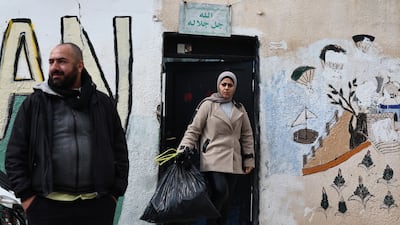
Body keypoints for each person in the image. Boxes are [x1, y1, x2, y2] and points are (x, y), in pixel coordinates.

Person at [5, 43, 129, 225]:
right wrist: (27, 198)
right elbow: (15, 154)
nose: (54, 67)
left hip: (97, 206)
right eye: (51, 62)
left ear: (80, 65)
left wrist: (114, 194)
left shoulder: (102, 103)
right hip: (46, 207)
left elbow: (119, 150)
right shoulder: (35, 104)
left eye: (62, 61)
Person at [178, 71, 255, 225]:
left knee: (227, 200)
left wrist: (248, 159)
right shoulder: (208, 105)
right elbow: (194, 129)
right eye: (223, 84)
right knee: (221, 190)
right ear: (218, 85)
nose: (226, 88)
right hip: (213, 157)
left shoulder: (239, 108)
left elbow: (247, 135)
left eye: (230, 85)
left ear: (234, 87)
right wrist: (183, 149)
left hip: (233, 160)